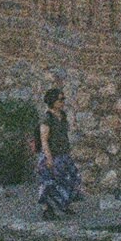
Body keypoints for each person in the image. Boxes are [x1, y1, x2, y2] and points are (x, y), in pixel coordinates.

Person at [34, 84, 83, 218]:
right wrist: (48, 158)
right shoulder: (47, 118)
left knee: (69, 179)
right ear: (53, 101)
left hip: (63, 154)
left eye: (63, 99)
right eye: (60, 100)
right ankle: (47, 210)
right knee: (49, 183)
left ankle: (64, 204)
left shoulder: (62, 115)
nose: (62, 102)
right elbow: (44, 140)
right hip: (52, 155)